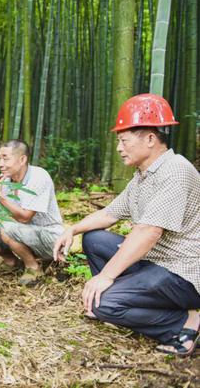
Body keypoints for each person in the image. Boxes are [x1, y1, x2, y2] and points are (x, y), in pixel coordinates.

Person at [53, 93, 200, 356]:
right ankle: (125, 297)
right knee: (94, 239)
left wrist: (105, 276)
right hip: (156, 263)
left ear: (151, 138)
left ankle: (185, 322)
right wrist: (72, 229)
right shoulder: (143, 176)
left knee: (103, 304)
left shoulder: (176, 171)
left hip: (183, 273)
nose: (119, 148)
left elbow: (149, 232)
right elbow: (110, 214)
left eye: (124, 141)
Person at [0, 140, 64, 285]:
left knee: (7, 229)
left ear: (22, 159)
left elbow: (25, 218)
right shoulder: (4, 181)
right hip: (24, 234)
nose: (0, 164)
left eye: (5, 158)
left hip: (51, 238)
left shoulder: (39, 177)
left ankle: (33, 267)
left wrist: (0, 198)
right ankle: (11, 262)